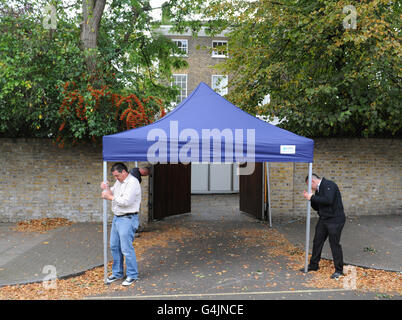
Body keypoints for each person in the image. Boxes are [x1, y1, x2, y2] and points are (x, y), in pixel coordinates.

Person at [100, 162, 141, 286]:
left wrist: (110, 197)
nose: (116, 179)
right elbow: (111, 191)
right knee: (114, 246)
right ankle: (117, 273)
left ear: (124, 172)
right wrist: (106, 188)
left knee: (126, 248)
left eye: (117, 176)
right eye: (114, 177)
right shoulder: (119, 182)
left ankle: (132, 275)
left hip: (128, 219)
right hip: (117, 219)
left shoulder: (133, 183)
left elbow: (126, 202)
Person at [302, 173, 346, 279]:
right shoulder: (318, 189)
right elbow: (317, 207)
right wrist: (311, 198)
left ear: (313, 181)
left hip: (335, 220)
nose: (309, 187)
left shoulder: (328, 185)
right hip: (324, 219)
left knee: (334, 244)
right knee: (317, 241)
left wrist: (312, 197)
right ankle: (313, 265)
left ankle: (339, 270)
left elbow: (328, 201)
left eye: (309, 185)